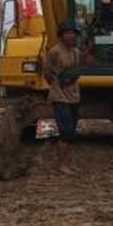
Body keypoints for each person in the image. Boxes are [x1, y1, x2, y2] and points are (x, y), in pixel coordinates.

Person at [44, 20, 87, 174]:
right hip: (60, 96)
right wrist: (57, 84)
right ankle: (62, 164)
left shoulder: (76, 52)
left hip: (74, 95)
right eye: (67, 33)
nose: (70, 36)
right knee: (65, 130)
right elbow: (48, 73)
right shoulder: (54, 52)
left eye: (72, 34)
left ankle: (67, 163)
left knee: (71, 132)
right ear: (61, 36)